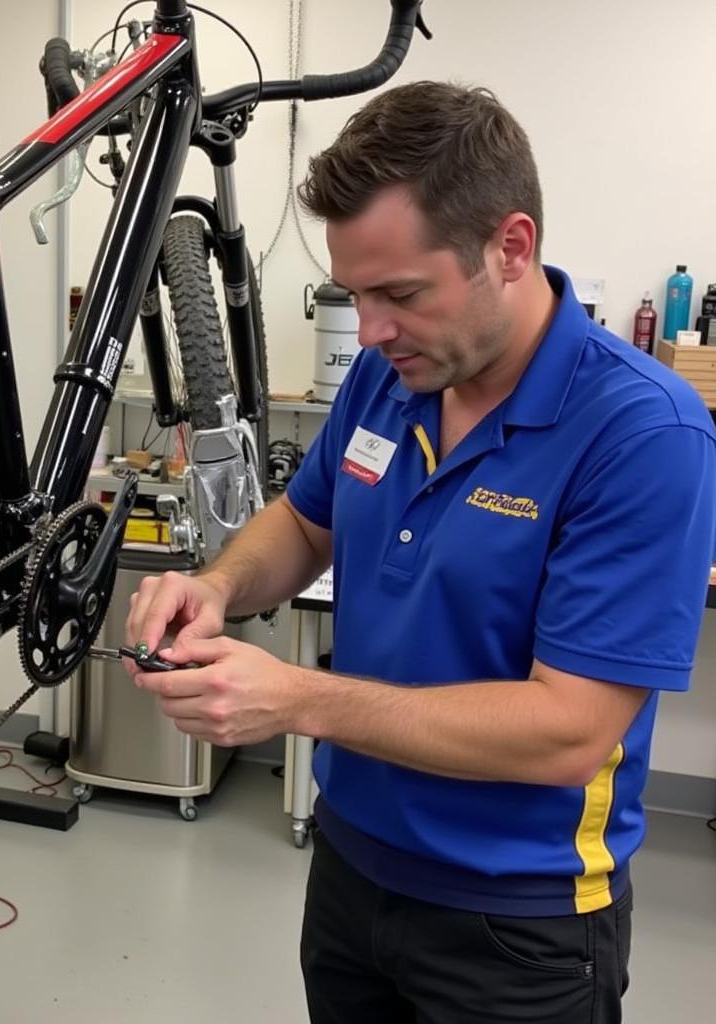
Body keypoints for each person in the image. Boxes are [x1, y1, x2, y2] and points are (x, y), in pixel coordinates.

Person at [125, 82, 716, 1023]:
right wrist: (219, 585)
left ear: (510, 248)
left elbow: (570, 730)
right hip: (352, 875)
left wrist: (296, 699)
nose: (370, 330)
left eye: (400, 293)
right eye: (356, 294)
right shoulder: (387, 377)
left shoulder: (643, 432)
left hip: (518, 927)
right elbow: (307, 521)